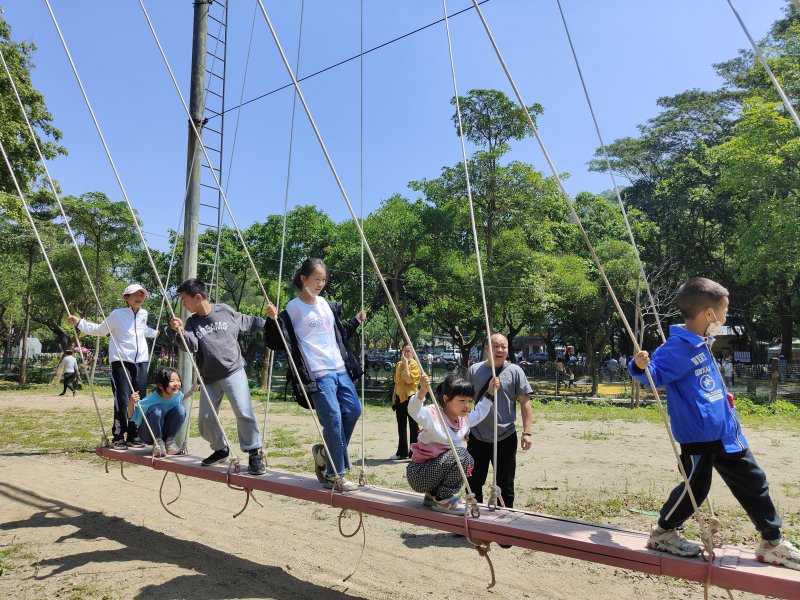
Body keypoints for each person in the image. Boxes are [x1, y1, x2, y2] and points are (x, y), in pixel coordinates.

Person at [628, 277, 799, 569]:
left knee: (754, 480)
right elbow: (650, 376)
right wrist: (638, 365)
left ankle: (772, 541)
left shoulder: (702, 343)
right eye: (724, 311)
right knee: (696, 487)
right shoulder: (677, 347)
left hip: (726, 430)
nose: (724, 317)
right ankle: (663, 532)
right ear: (709, 314)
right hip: (700, 434)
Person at [264, 258, 365, 491]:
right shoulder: (293, 308)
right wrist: (272, 320)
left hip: (339, 368)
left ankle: (323, 451)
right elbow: (278, 341)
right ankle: (334, 475)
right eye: (316, 279)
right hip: (317, 373)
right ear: (303, 279)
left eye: (323, 280)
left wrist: (356, 322)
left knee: (353, 410)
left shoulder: (327, 305)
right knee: (333, 419)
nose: (321, 284)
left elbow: (339, 334)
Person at [170, 278, 266, 476]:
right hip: (210, 377)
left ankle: (254, 452)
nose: (183, 304)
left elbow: (248, 322)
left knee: (243, 411)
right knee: (205, 419)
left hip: (233, 371)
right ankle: (220, 448)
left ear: (198, 297)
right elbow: (191, 346)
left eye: (184, 299)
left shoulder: (224, 311)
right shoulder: (192, 322)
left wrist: (271, 322)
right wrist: (180, 332)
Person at [68, 284, 157, 449]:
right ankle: (118, 434)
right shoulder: (117, 314)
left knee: (140, 399)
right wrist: (80, 322)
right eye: (134, 295)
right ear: (126, 298)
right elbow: (101, 330)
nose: (139, 298)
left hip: (141, 361)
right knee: (123, 399)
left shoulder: (144, 314)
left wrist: (155, 332)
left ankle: (133, 433)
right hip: (121, 361)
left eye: (141, 295)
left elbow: (141, 330)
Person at [406, 373, 499, 514]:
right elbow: (413, 410)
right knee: (461, 454)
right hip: (419, 474)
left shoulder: (464, 420)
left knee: (468, 460)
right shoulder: (433, 415)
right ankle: (443, 499)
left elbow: (480, 411)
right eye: (462, 400)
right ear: (446, 399)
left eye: (469, 401)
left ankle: (433, 495)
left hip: (433, 475)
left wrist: (490, 392)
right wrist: (422, 391)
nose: (467, 406)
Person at [466, 333, 533, 509]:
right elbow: (465, 402)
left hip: (505, 437)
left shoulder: (515, 371)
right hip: (477, 436)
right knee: (473, 483)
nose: (500, 350)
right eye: (496, 346)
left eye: (504, 346)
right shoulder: (474, 371)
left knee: (505, 485)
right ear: (487, 349)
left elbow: (525, 402)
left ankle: (505, 523)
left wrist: (527, 432)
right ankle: (473, 521)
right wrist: (463, 426)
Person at [127, 367, 189, 457]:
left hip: (165, 433)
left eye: (178, 380)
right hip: (148, 434)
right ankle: (158, 443)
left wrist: (191, 391)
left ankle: (170, 442)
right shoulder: (151, 399)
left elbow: (178, 414)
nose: (176, 384)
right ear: (160, 385)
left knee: (180, 409)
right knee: (156, 410)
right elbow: (131, 416)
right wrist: (131, 402)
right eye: (172, 381)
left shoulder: (177, 395)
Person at [389, 345, 421, 461]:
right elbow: (397, 382)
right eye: (405, 351)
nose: (407, 353)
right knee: (401, 426)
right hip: (399, 396)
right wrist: (393, 396)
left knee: (413, 426)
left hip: (411, 397)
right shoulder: (398, 364)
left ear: (412, 353)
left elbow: (408, 380)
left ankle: (414, 454)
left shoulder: (414, 364)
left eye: (409, 351)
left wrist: (406, 364)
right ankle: (402, 452)